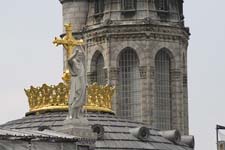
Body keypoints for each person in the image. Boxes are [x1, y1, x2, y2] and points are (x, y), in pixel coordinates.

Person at [67, 49, 86, 119]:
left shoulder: (81, 63)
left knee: (81, 99)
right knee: (75, 97)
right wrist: (74, 53)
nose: (80, 57)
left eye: (81, 55)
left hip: (82, 81)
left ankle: (77, 114)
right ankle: (71, 114)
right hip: (76, 80)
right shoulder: (74, 61)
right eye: (79, 55)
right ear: (76, 55)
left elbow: (83, 74)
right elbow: (68, 60)